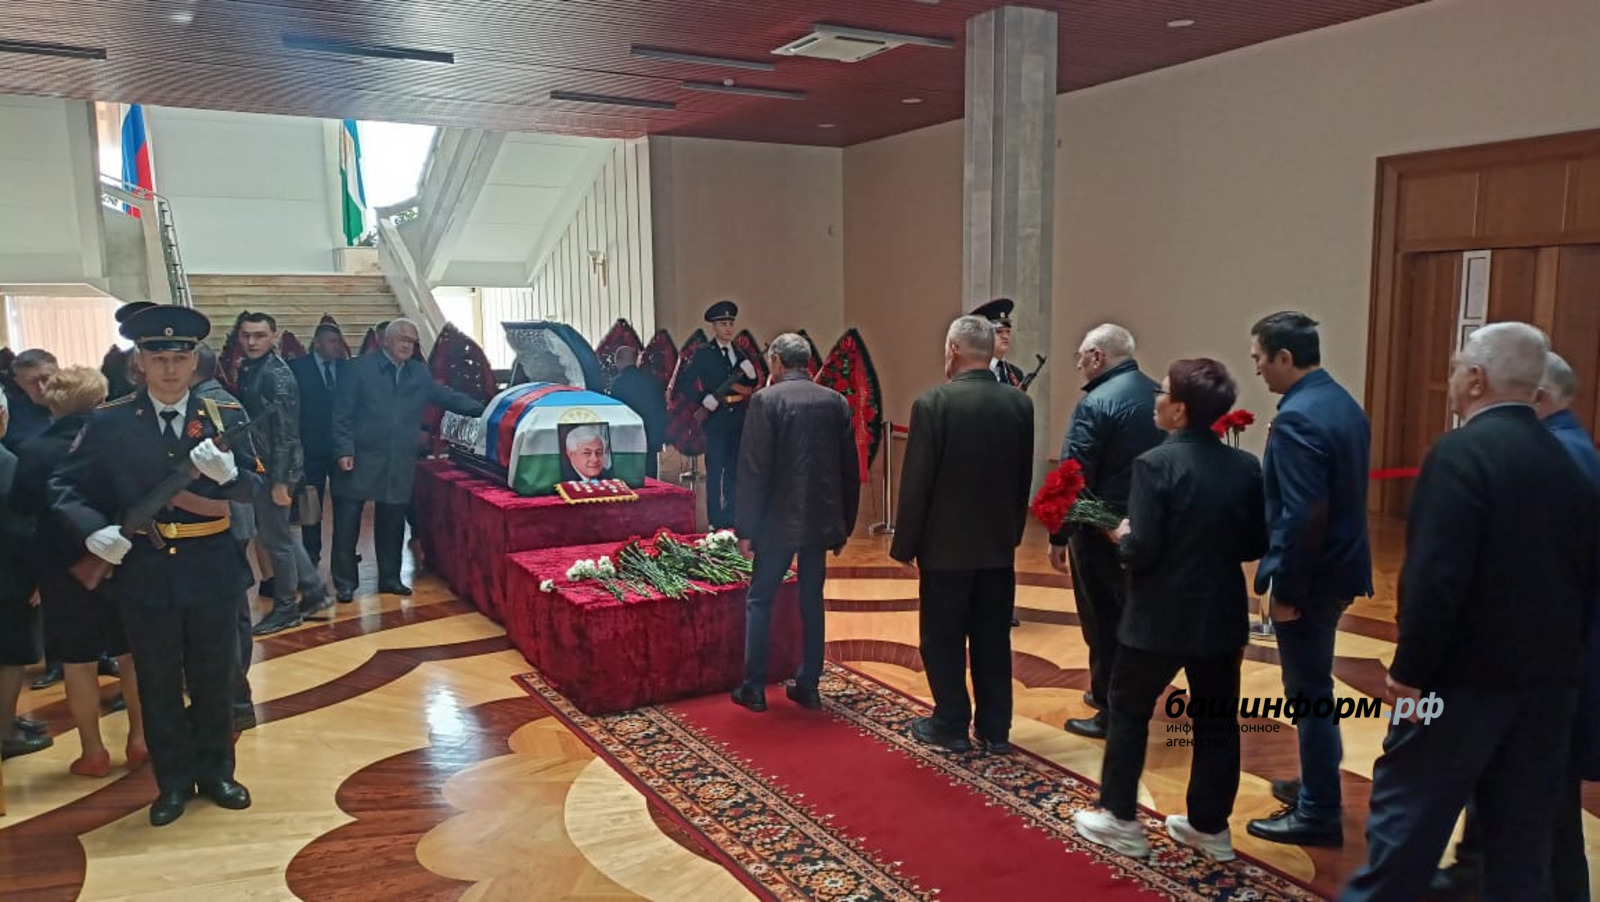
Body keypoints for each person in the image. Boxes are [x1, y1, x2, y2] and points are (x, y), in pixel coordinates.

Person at [1339, 323, 1598, 901]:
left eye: (1457, 367)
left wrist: (1408, 674)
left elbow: (1437, 579)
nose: (1453, 378)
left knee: (1406, 823)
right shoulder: (1567, 460)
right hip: (1550, 685)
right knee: (1519, 848)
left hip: (1458, 683)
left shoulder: (1460, 453)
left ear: (1477, 378)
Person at [48, 304, 261, 827]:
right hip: (146, 571)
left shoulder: (223, 416)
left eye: (179, 358)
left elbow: (257, 485)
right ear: (139, 361)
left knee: (215, 678)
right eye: (158, 357)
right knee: (157, 681)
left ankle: (218, 773)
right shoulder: (110, 421)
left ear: (194, 362)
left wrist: (232, 476)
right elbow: (64, 485)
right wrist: (93, 529)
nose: (169, 368)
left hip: (211, 569)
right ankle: (173, 783)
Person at [1072, 359, 1266, 861]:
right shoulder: (1245, 466)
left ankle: (1119, 818)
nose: (1154, 399)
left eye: (1161, 392)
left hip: (1159, 616)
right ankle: (1210, 828)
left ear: (1179, 410)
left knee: (1128, 709)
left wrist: (1120, 532)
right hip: (1221, 615)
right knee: (1216, 719)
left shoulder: (1154, 465)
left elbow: (1141, 552)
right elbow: (1254, 543)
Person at [1429, 349, 1600, 901]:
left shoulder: (1558, 456)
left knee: (1547, 814)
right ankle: (1474, 870)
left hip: (1537, 665)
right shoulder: (1567, 449)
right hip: (1549, 662)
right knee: (1530, 799)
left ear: (1538, 396)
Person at [1246, 311, 1373, 849]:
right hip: (1341, 566)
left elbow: (1303, 516)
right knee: (1313, 687)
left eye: (1260, 358)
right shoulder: (1339, 401)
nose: (1257, 370)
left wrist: (1288, 592)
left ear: (1284, 356)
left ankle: (1318, 809)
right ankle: (1317, 783)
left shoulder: (1299, 416)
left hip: (1314, 577)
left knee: (1308, 690)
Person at [890, 315, 1033, 753]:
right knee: (993, 639)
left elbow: (917, 483)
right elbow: (1022, 479)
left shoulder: (933, 404)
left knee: (942, 639)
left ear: (953, 349)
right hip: (997, 547)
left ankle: (951, 723)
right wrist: (1012, 534)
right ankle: (995, 729)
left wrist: (905, 545)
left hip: (945, 549)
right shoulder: (1019, 405)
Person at [11, 366, 147, 775]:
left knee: (77, 662)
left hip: (60, 569)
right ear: (101, 400)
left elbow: (21, 508)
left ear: (53, 403)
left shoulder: (34, 450)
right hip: (124, 560)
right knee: (131, 656)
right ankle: (140, 740)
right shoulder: (123, 442)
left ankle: (93, 752)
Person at [731, 333, 861, 713]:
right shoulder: (835, 401)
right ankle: (809, 685)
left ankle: (754, 687)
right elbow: (849, 469)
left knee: (760, 599)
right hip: (820, 520)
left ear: (776, 361)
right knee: (811, 600)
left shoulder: (765, 400)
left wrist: (746, 528)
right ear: (807, 362)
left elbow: (753, 471)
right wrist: (845, 524)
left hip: (775, 522)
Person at [1053, 324, 1163, 738]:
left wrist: (1059, 534)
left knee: (1103, 621)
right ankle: (1132, 698)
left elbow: (1073, 477)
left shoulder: (1096, 403)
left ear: (1097, 356)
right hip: (1151, 526)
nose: (1078, 364)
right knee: (1137, 617)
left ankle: (1110, 709)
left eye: (1081, 355)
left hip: (1100, 531)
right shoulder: (1159, 395)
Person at [330, 319, 484, 602]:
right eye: (402, 339)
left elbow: (446, 397)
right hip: (360, 457)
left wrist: (486, 409)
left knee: (392, 520)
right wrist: (343, 451)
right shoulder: (358, 368)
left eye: (412, 341)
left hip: (398, 458)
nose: (407, 345)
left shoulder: (418, 373)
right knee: (347, 522)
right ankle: (345, 582)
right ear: (385, 340)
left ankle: (390, 578)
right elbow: (341, 414)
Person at [233, 311, 328, 635]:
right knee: (279, 536)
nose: (251, 341)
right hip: (261, 465)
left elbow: (287, 433)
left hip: (274, 469)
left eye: (259, 335)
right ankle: (314, 591)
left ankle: (287, 608)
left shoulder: (277, 375)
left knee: (277, 542)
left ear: (273, 336)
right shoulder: (252, 368)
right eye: (246, 335)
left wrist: (281, 481)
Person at [192, 344, 261, 733]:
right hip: (217, 525)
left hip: (225, 522)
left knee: (230, 617)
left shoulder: (219, 408)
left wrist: (229, 476)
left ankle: (235, 696)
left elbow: (253, 472)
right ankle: (230, 692)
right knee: (231, 615)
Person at [0, 386, 52, 760]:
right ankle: (5, 732)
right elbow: (19, 528)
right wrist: (37, 574)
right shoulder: (6, 463)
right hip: (8, 577)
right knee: (11, 658)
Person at [676, 301, 758, 529]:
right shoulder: (704, 354)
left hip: (738, 417)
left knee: (734, 470)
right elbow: (684, 383)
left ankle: (731, 515)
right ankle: (715, 518)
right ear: (714, 326)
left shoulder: (739, 353)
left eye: (731, 323)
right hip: (716, 418)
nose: (728, 328)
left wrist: (752, 376)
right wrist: (703, 399)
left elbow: (750, 385)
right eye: (723, 324)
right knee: (715, 471)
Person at [288, 323, 347, 567]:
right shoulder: (298, 368)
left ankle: (343, 554)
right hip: (310, 449)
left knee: (345, 505)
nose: (337, 347)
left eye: (338, 342)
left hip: (340, 450)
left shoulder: (345, 369)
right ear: (318, 342)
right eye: (332, 342)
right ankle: (311, 554)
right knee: (311, 505)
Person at [607, 346, 667, 479]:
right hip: (650, 436)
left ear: (618, 361)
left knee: (629, 479)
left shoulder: (618, 383)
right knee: (650, 478)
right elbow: (661, 408)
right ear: (636, 360)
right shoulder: (652, 380)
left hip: (628, 439)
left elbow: (615, 413)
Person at [2, 348, 57, 452]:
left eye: (46, 379)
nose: (41, 387)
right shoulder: (9, 417)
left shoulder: (78, 404)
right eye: (31, 382)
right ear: (19, 383)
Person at [971, 298, 1025, 388]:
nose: (1005, 336)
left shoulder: (1016, 374)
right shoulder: (973, 371)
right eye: (999, 331)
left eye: (1008, 331)